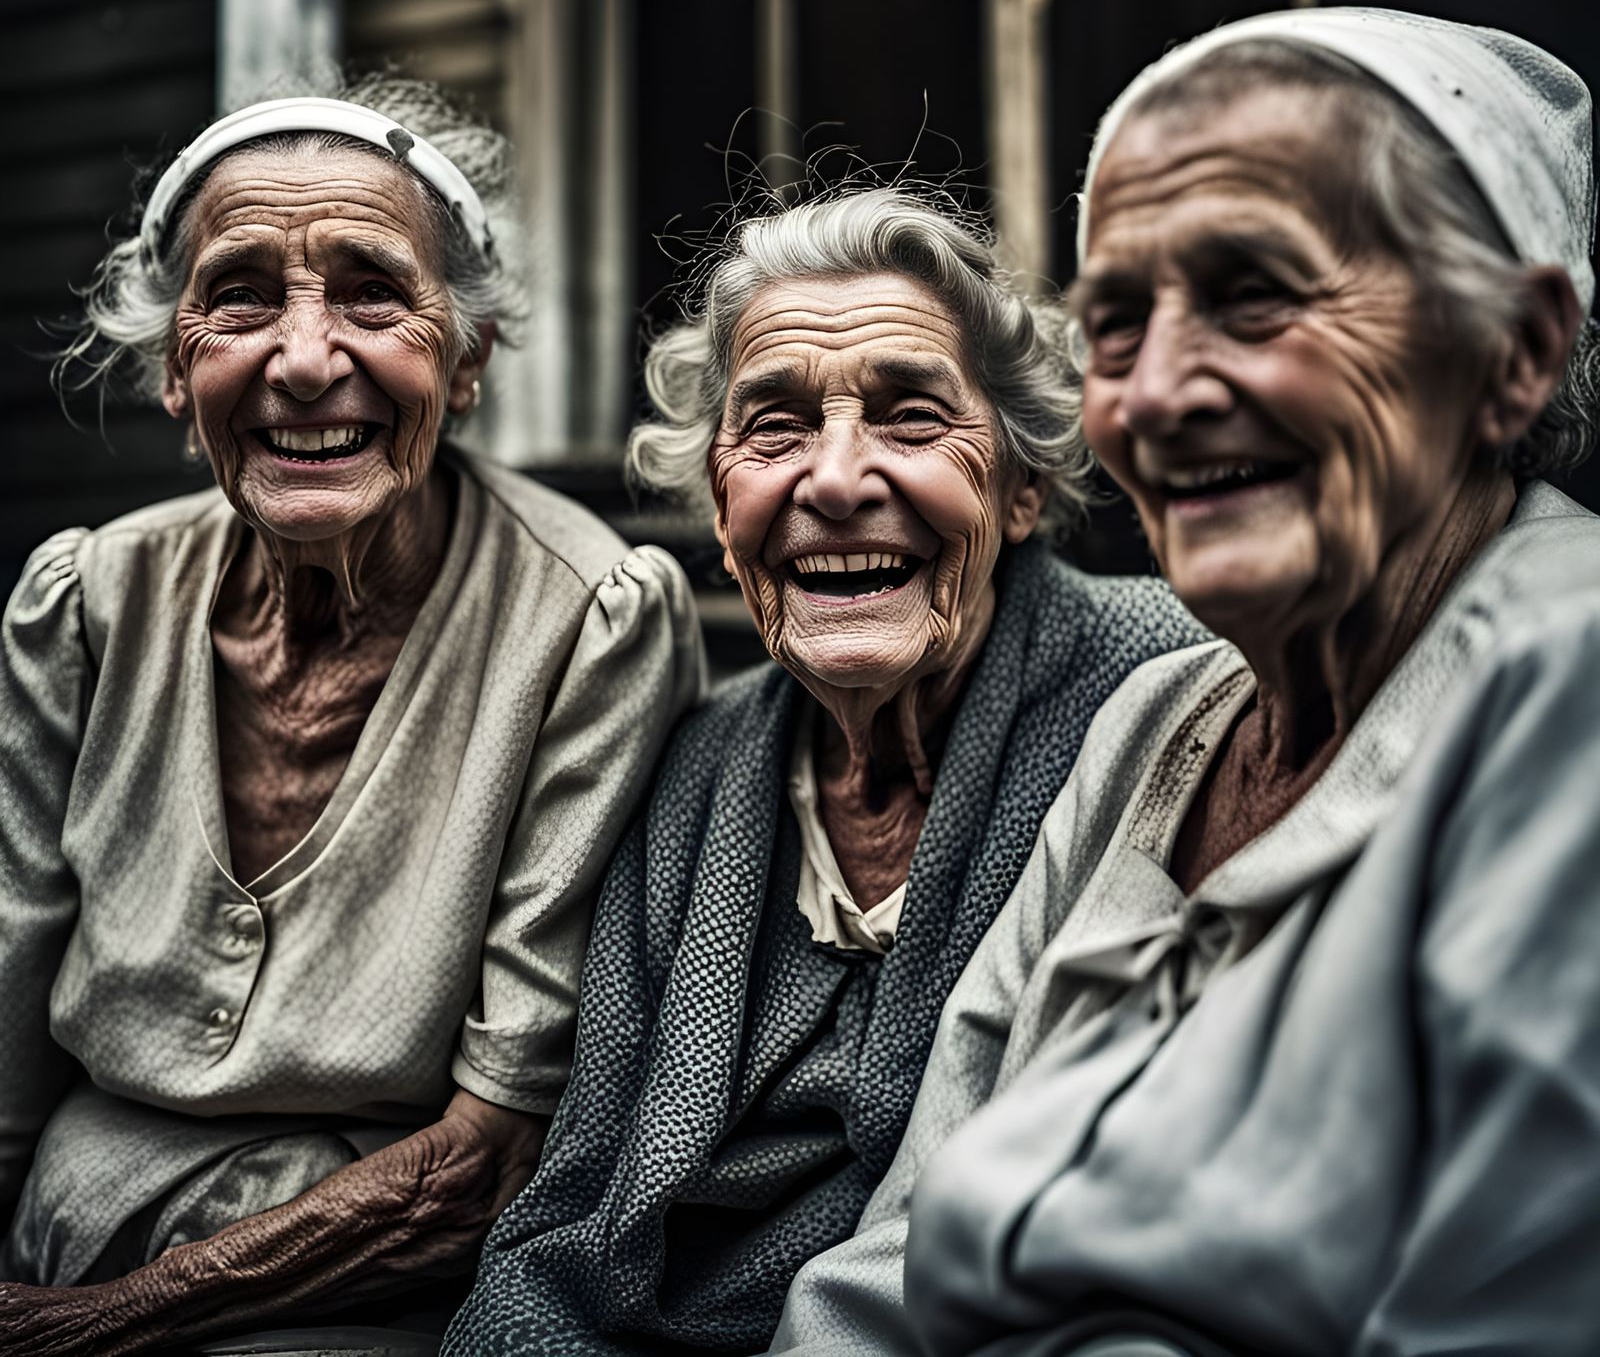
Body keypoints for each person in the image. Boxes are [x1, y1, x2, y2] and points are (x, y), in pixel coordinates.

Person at [769, 9, 1600, 1357]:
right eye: (1114, 325)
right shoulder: (1163, 720)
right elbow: (898, 1253)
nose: (1155, 393)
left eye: (1255, 295)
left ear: (1514, 349)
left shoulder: (1567, 682)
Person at [0, 79, 704, 1352]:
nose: (308, 357)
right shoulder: (89, 602)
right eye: (243, 295)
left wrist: (94, 1326)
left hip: (346, 1300)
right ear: (175, 368)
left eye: (373, 291)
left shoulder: (587, 623)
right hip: (44, 1246)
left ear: (468, 355)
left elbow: (496, 1152)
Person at [444, 186, 1208, 1356]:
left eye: (910, 419)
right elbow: (573, 1211)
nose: (837, 480)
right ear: (719, 498)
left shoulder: (1172, 691)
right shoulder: (697, 767)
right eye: (776, 427)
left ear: (1021, 488)